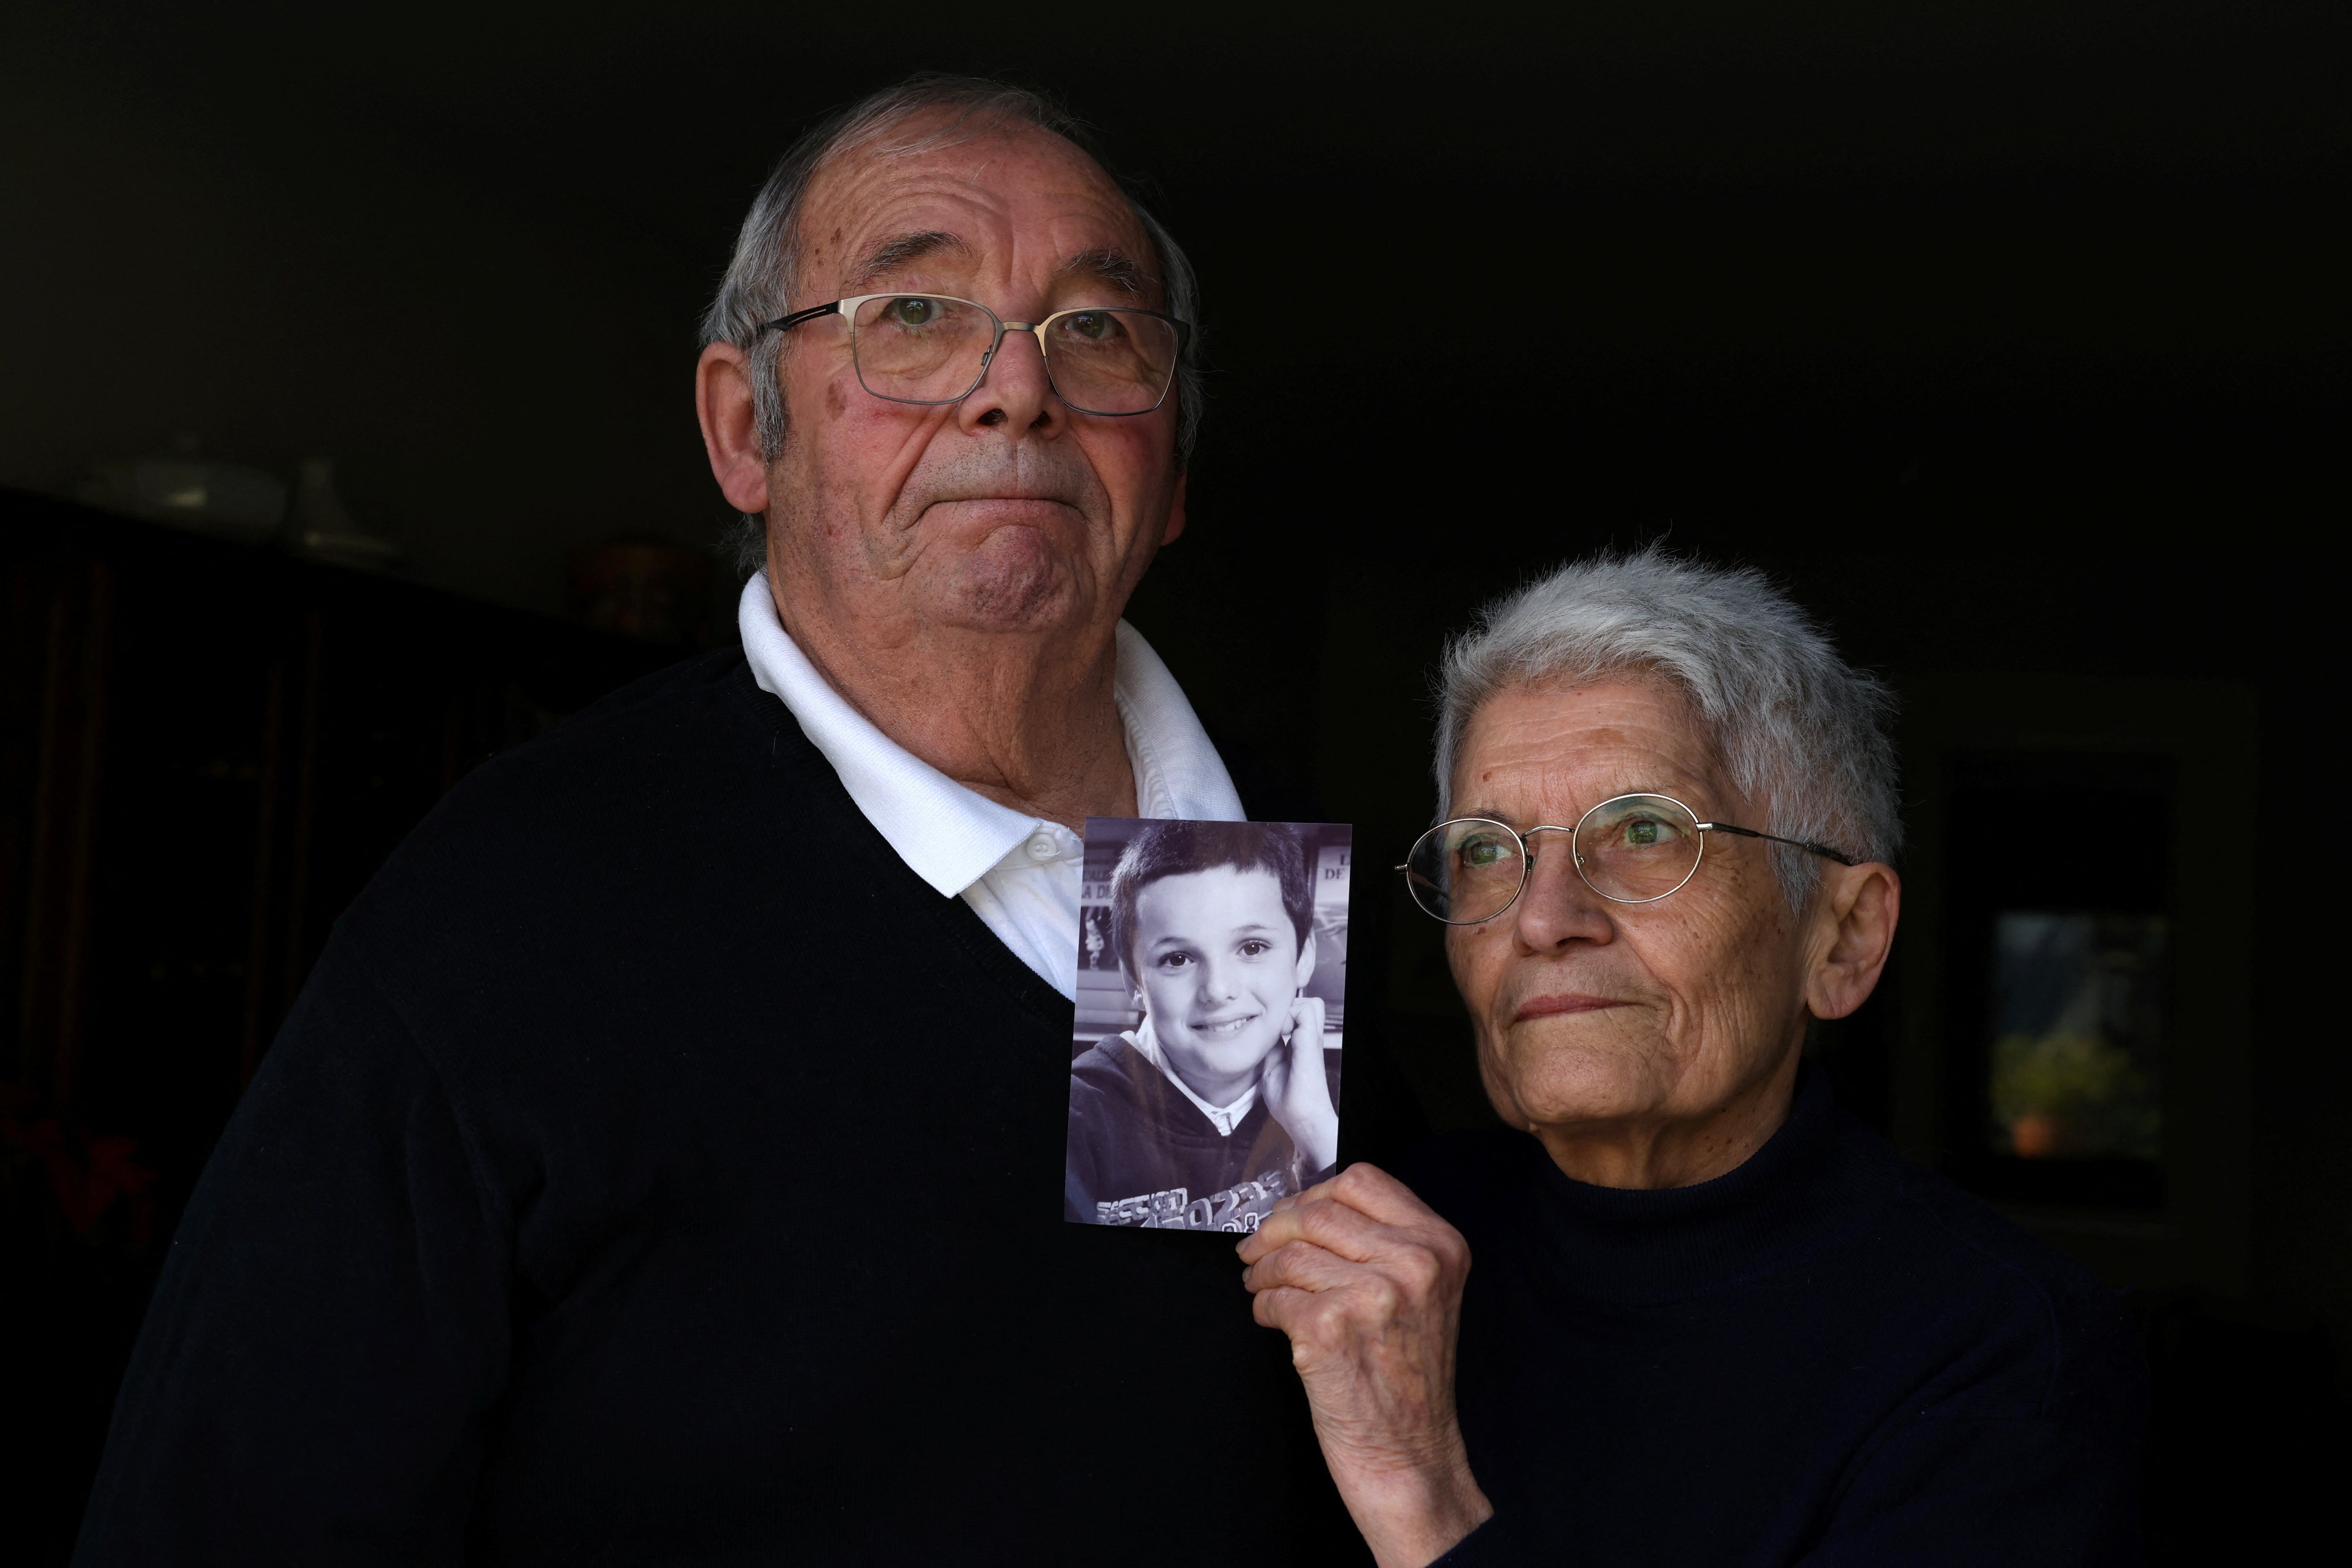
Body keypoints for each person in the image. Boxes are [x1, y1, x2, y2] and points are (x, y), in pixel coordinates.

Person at [75, 75, 1383, 1565]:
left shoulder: (1239, 863)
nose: (1021, 387)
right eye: (913, 315)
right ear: (743, 433)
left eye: (1098, 327)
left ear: (1171, 468)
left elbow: (1199, 1421)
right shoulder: (522, 897)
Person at [1238, 550, 2148, 1567]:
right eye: (1488, 848)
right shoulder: (1366, 1243)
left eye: (1641, 830)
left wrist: (1418, 1488)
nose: (1543, 920)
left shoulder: (2000, 1357)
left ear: (1841, 938)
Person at [1067, 821, 1340, 1230]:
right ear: (1133, 982)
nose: (1217, 989)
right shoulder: (1081, 1115)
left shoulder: (1333, 1101)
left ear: (1303, 957)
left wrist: (1319, 1136)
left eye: (1251, 947)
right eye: (1177, 958)